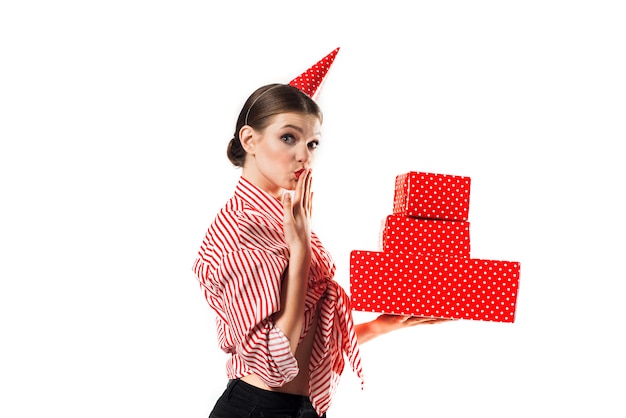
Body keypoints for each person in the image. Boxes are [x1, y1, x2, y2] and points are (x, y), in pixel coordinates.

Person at [192, 49, 448, 418]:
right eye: (288, 138)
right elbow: (271, 361)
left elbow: (307, 345)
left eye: (312, 143)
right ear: (249, 140)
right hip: (259, 409)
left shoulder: (287, 216)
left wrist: (380, 326)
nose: (304, 156)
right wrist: (300, 258)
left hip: (304, 407)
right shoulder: (238, 231)